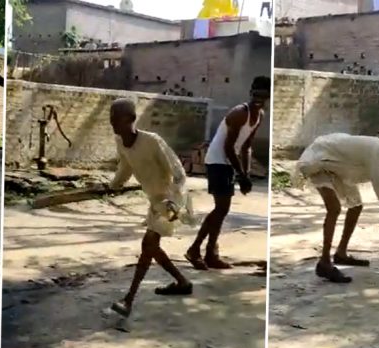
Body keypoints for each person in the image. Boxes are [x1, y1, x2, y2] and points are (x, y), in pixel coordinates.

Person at [295, 126, 379, 283]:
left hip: (340, 168)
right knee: (334, 209)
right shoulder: (377, 153)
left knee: (356, 206)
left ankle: (341, 253)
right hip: (319, 160)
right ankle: (324, 262)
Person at [107, 98, 195, 318]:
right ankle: (182, 281)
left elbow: (178, 173)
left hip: (171, 201)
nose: (112, 123)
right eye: (111, 118)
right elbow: (126, 166)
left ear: (130, 119)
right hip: (155, 202)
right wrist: (113, 185)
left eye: (116, 118)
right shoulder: (120, 141)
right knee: (152, 248)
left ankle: (128, 299)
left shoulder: (152, 141)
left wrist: (174, 203)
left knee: (148, 245)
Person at [186, 76, 271, 270]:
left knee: (222, 210)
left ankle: (209, 254)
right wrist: (241, 175)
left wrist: (247, 173)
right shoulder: (240, 113)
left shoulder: (259, 116)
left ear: (268, 96)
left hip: (227, 163)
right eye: (256, 94)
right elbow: (229, 147)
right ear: (251, 93)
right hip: (217, 160)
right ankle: (195, 249)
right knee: (221, 209)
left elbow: (246, 146)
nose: (258, 98)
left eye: (263, 95)